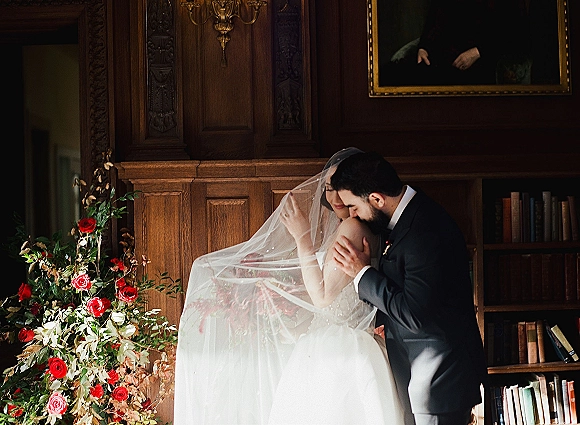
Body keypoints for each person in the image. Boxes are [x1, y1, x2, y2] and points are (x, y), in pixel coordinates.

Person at [173, 147, 405, 425]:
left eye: (341, 188)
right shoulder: (351, 226)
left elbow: (322, 296)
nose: (335, 197)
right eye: (330, 187)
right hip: (331, 340)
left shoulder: (353, 228)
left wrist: (301, 236)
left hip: (341, 348)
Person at [330, 151, 488, 425]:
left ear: (377, 199)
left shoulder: (424, 230)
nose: (352, 216)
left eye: (354, 207)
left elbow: (416, 314)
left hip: (439, 384)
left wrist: (362, 273)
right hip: (426, 382)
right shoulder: (408, 220)